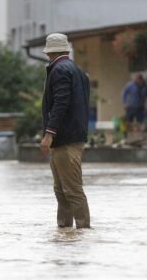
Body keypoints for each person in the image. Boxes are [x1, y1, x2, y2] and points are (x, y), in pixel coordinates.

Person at [40, 33, 91, 229]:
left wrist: (49, 133)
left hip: (64, 140)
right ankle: (65, 232)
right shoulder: (76, 70)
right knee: (62, 190)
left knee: (71, 190)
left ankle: (82, 230)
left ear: (49, 52)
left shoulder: (59, 70)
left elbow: (61, 103)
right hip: (73, 137)